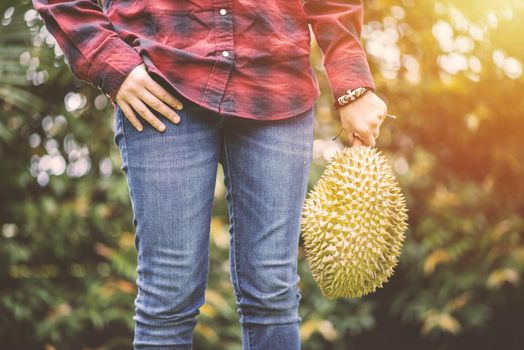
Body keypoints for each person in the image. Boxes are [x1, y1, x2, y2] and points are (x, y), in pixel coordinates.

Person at [33, 0, 388, 348]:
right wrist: (110, 61)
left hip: (276, 80)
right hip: (162, 79)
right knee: (168, 295)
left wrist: (352, 83)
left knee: (273, 292)